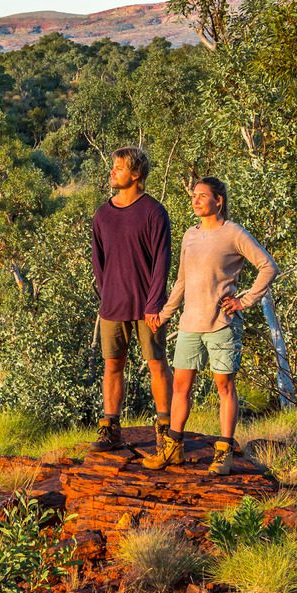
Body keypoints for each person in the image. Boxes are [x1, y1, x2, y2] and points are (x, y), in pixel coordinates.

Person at [142, 175, 276, 474]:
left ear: (219, 200)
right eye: (194, 195)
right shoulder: (190, 235)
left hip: (222, 324)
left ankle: (224, 452)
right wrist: (164, 315)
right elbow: (181, 281)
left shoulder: (233, 233)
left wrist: (245, 300)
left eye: (203, 195)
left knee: (224, 385)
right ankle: (172, 448)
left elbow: (268, 267)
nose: (196, 199)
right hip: (190, 322)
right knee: (180, 386)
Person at [89, 146, 170, 454]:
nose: (112, 172)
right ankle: (110, 428)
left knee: (157, 364)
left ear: (136, 174)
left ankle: (165, 431)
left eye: (119, 168)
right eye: (113, 167)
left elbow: (161, 262)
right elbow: (99, 262)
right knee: (112, 365)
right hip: (112, 305)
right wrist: (106, 294)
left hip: (148, 307)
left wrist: (154, 304)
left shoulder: (153, 212)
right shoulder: (103, 214)